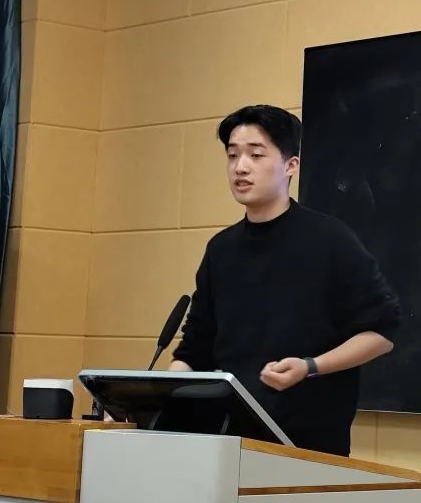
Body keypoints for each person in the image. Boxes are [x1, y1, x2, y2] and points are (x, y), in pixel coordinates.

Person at [169, 104, 400, 456]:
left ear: (291, 165)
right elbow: (195, 349)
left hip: (309, 450)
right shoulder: (221, 249)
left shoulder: (330, 240)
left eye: (255, 155)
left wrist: (310, 367)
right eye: (232, 155)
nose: (240, 167)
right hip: (228, 444)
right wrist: (153, 398)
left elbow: (382, 333)